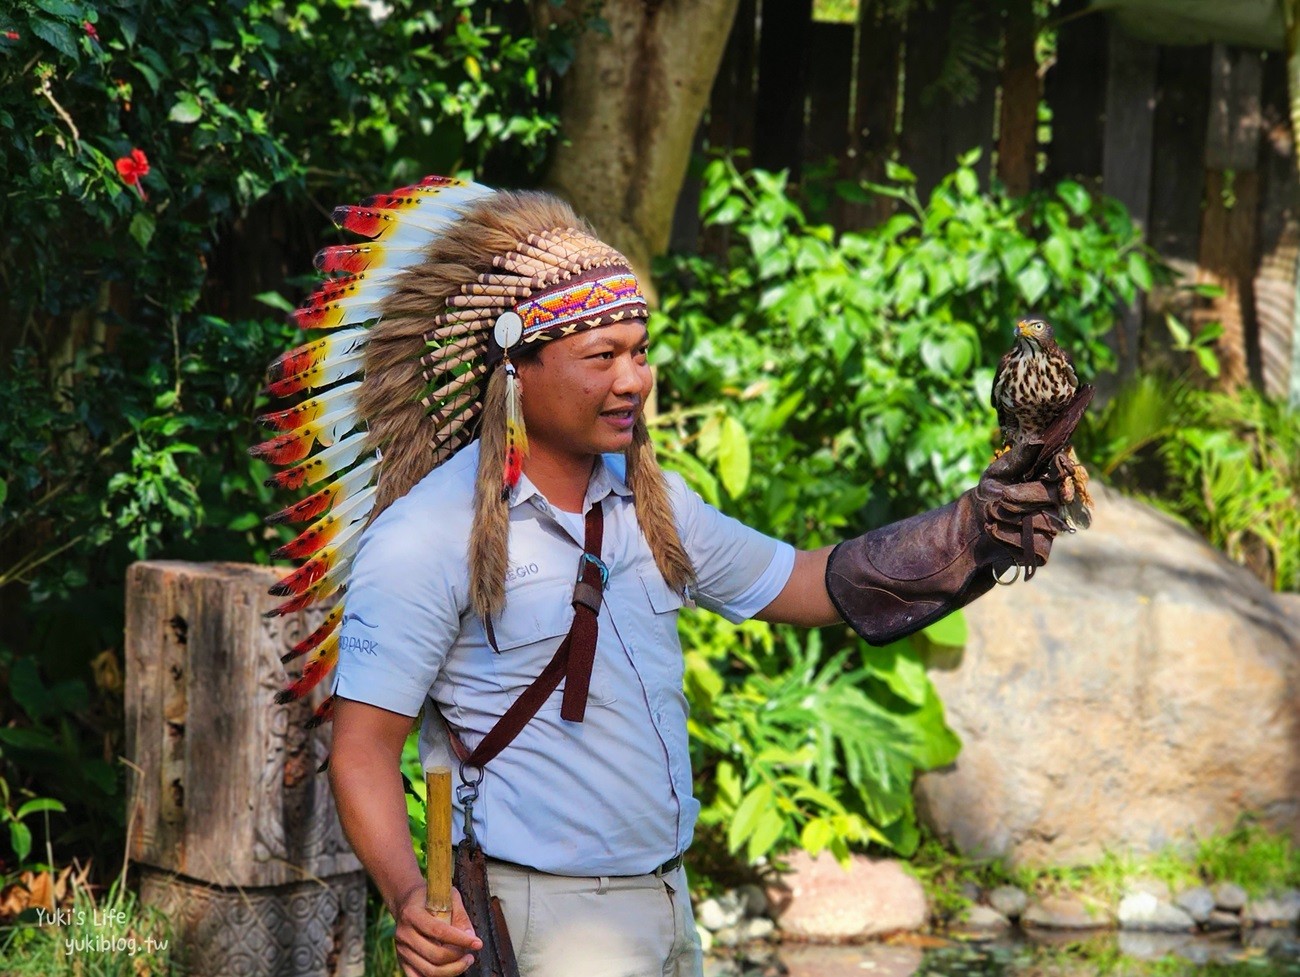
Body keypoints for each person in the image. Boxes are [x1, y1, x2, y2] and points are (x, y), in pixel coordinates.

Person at [265, 179, 1070, 977]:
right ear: (517, 372)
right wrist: (410, 896)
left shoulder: (654, 504)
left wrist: (971, 533)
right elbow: (364, 749)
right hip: (543, 922)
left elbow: (804, 582)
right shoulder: (429, 535)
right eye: (602, 356)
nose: (634, 379)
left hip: (669, 904)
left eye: (640, 351)